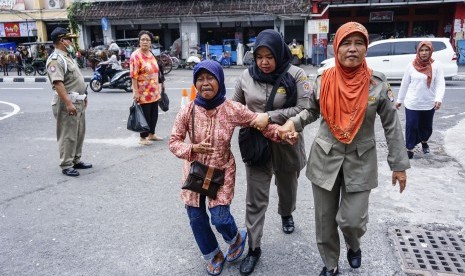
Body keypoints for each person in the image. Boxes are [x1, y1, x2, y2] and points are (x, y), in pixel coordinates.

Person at [278, 22, 410, 276]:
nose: (352, 49)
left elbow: (392, 126)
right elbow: (312, 111)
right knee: (325, 221)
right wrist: (293, 123)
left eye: (359, 43)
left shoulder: (377, 84)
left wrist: (399, 165)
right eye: (346, 44)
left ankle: (353, 242)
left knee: (352, 220)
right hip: (325, 159)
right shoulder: (323, 80)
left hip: (361, 161)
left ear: (366, 48)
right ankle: (330, 264)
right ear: (336, 48)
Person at [168, 60, 284, 276]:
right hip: (194, 170)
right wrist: (191, 149)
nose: (205, 83)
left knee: (220, 217)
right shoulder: (188, 110)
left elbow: (257, 122)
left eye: (210, 78)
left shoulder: (230, 108)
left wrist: (282, 133)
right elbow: (173, 141)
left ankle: (235, 239)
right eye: (200, 79)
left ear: (219, 80)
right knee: (195, 216)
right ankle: (213, 254)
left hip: (221, 170)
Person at [232, 29, 311, 275]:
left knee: (287, 188)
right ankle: (254, 249)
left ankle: (286, 213)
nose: (264, 62)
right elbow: (235, 108)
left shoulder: (296, 74)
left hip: (287, 143)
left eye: (269, 56)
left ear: (279, 52)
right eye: (259, 56)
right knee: (255, 199)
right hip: (256, 146)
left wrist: (269, 117)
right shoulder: (246, 76)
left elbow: (305, 107)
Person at [46, 27, 92, 177]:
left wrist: (84, 96)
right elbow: (58, 83)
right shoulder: (55, 60)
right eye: (69, 39)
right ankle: (66, 164)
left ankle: (76, 160)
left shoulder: (67, 56)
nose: (71, 42)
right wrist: (68, 103)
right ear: (61, 41)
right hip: (67, 103)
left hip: (77, 101)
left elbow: (76, 80)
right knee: (68, 134)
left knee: (79, 132)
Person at [395, 41, 445, 159]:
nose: (424, 53)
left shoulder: (436, 65)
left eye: (426, 50)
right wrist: (399, 100)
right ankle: (409, 148)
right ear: (418, 51)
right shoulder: (411, 65)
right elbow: (405, 83)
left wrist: (438, 99)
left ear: (431, 51)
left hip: (429, 102)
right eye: (421, 50)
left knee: (426, 127)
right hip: (412, 102)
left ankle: (424, 141)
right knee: (411, 125)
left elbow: (440, 83)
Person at [130, 30, 163, 145]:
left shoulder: (151, 53)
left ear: (151, 42)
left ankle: (151, 134)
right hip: (143, 92)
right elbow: (134, 76)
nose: (145, 41)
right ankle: (143, 138)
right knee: (145, 115)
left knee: (154, 114)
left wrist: (161, 85)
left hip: (154, 91)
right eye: (142, 39)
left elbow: (158, 70)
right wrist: (135, 92)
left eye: (147, 40)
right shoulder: (136, 56)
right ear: (139, 41)